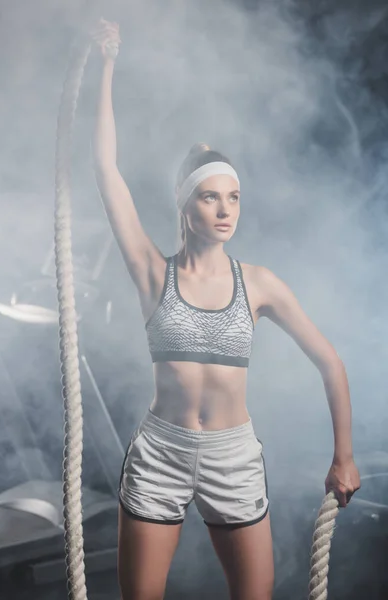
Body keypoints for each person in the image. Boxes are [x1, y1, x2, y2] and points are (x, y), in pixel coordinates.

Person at [92, 19, 361, 600]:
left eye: (233, 196)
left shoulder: (259, 284)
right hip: (160, 452)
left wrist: (344, 457)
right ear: (185, 206)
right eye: (211, 196)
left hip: (233, 456)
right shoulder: (151, 271)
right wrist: (107, 63)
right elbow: (107, 172)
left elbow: (331, 363)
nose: (225, 209)